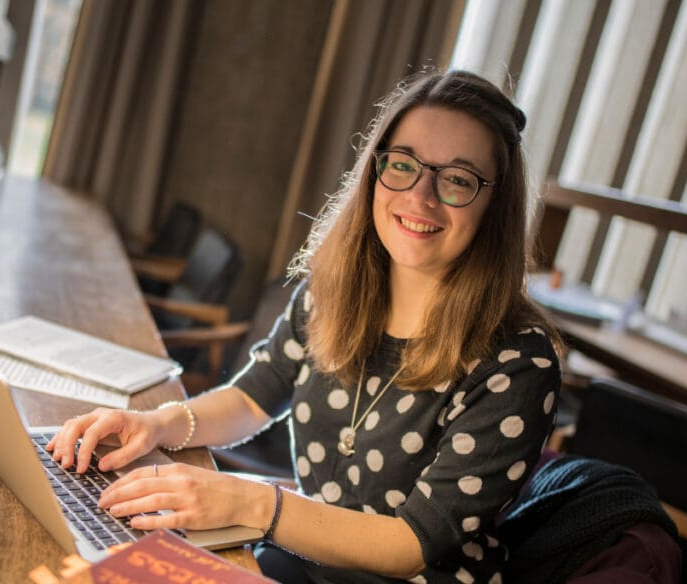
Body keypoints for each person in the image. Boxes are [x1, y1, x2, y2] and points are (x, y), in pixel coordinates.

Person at [48, 69, 562, 583]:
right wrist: (158, 423)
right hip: (303, 557)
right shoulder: (335, 290)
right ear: (375, 172)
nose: (421, 196)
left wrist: (253, 505)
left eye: (457, 179)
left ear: (495, 204)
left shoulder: (518, 362)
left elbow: (413, 544)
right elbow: (254, 396)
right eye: (403, 165)